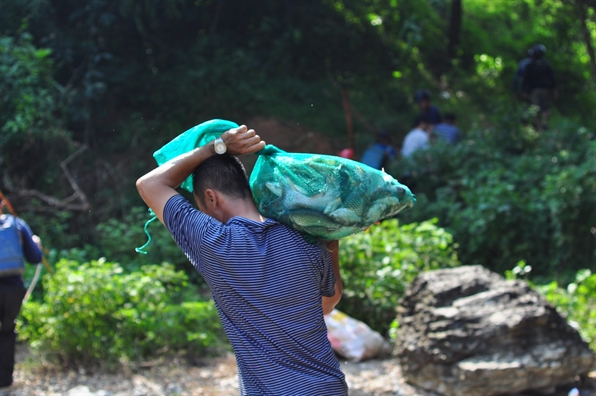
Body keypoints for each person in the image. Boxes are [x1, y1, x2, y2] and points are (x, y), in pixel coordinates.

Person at [136, 125, 347, 395]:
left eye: (201, 207)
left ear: (210, 198)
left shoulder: (215, 242)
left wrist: (215, 147)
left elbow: (149, 184)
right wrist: (332, 243)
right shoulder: (303, 239)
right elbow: (327, 303)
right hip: (329, 387)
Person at [0, 200, 42, 390]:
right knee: (7, 331)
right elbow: (35, 257)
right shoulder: (16, 224)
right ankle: (5, 382)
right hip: (13, 289)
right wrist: (36, 245)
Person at [523, 44, 556, 131]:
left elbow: (526, 79)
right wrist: (554, 90)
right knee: (546, 108)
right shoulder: (546, 65)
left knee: (535, 108)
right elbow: (552, 79)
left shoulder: (530, 65)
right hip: (545, 90)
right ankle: (543, 123)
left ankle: (538, 126)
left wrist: (525, 91)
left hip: (535, 90)